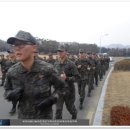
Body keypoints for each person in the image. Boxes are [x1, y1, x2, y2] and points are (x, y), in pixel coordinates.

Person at [4, 30, 66, 119]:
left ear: (34, 48)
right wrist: (9, 94)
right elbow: (6, 90)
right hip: (23, 118)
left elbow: (62, 88)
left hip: (44, 118)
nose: (17, 48)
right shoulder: (12, 72)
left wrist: (52, 99)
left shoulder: (47, 69)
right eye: (15, 45)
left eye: (21, 44)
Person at [54, 45, 80, 119]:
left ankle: (74, 115)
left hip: (69, 91)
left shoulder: (71, 64)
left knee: (70, 108)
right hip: (59, 91)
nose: (59, 53)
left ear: (65, 52)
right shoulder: (56, 63)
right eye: (58, 51)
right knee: (58, 110)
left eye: (61, 51)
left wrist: (67, 78)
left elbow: (77, 77)